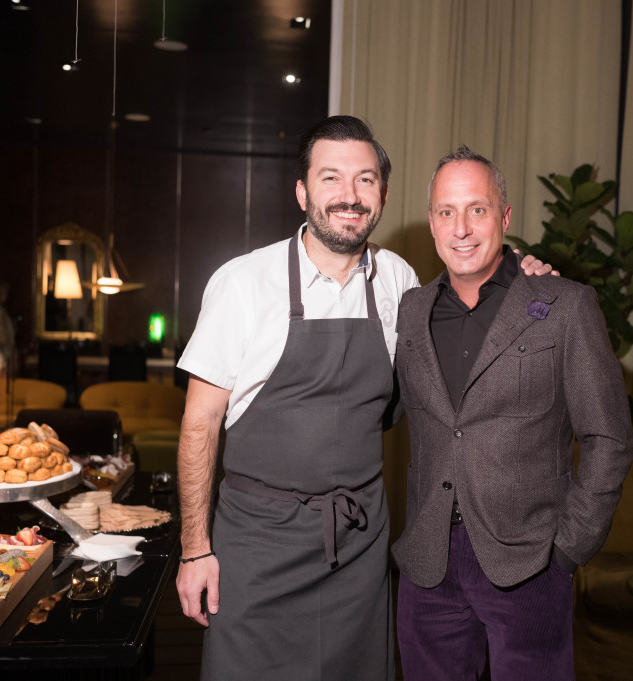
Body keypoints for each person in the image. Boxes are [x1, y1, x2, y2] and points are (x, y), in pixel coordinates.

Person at [174, 117, 551, 681]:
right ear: (302, 191)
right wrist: (195, 550)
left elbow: (467, 306)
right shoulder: (244, 283)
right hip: (256, 545)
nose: (349, 196)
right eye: (331, 178)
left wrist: (521, 269)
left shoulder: (398, 280)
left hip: (358, 546)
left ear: (383, 195)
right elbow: (199, 424)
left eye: (365, 180)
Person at [392, 146, 633, 681]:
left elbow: (610, 437)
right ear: (431, 222)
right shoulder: (410, 313)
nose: (461, 228)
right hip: (428, 565)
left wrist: (566, 552)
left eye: (477, 209)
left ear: (504, 217)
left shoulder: (564, 306)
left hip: (529, 565)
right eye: (446, 211)